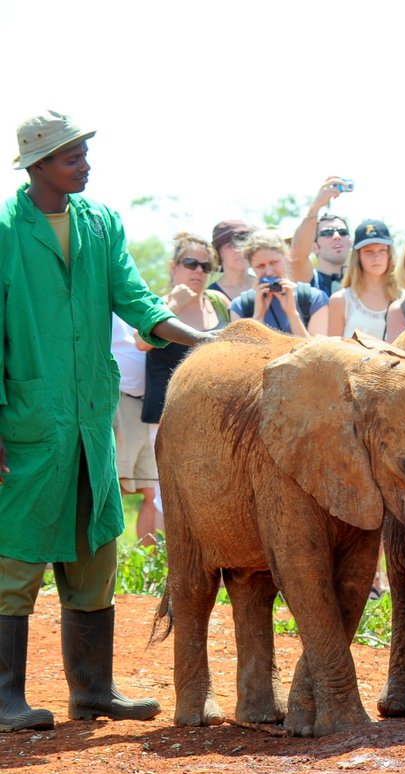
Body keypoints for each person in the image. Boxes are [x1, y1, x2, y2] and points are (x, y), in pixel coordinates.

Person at [1, 110, 219, 732]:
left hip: (90, 419)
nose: (86, 165)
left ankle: (92, 692)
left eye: (85, 154)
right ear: (39, 164)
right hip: (27, 417)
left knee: (96, 547)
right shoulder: (6, 229)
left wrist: (200, 340)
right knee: (16, 555)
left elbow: (136, 300)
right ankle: (5, 698)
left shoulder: (101, 224)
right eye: (73, 157)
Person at [136, 233, 230, 488]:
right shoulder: (158, 303)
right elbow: (141, 342)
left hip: (214, 413)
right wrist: (174, 304)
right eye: (191, 263)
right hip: (167, 413)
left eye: (206, 266)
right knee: (165, 493)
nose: (198, 271)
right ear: (173, 266)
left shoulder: (219, 302)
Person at [110, 314, 158, 543]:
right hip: (120, 402)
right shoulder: (102, 305)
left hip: (147, 407)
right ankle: (106, 563)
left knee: (151, 491)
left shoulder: (141, 305)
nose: (199, 274)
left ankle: (147, 563)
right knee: (114, 487)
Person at [228, 232, 327, 337]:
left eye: (274, 262)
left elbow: (316, 351)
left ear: (286, 258)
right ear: (252, 268)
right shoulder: (240, 306)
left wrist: (292, 314)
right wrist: (258, 316)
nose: (269, 271)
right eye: (260, 266)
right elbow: (244, 352)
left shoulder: (314, 299)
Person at [309, 219, 397, 338]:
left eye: (382, 250)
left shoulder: (404, 298)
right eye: (368, 251)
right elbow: (334, 351)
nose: (376, 256)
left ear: (389, 254)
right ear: (358, 256)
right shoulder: (341, 300)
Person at [289, 176, 353, 296]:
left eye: (343, 232)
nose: (336, 236)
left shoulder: (363, 282)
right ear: (314, 247)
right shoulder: (309, 280)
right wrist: (315, 207)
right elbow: (297, 257)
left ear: (351, 242)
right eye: (327, 233)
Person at [209, 218, 255, 301]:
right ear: (218, 253)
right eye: (230, 246)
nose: (239, 250)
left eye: (243, 242)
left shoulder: (266, 286)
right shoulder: (211, 296)